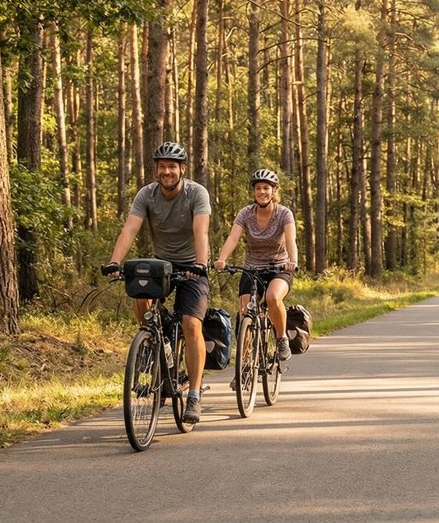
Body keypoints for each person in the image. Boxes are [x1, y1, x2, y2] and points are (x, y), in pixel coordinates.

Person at [107, 141, 212, 423]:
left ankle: (194, 395)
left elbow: (200, 232)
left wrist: (200, 265)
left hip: (193, 265)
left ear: (182, 170)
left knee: (191, 324)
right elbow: (130, 229)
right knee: (141, 295)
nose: (166, 171)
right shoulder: (147, 195)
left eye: (172, 167)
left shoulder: (196, 194)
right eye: (162, 166)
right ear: (156, 170)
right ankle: (156, 345)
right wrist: (116, 262)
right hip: (161, 264)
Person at [213, 168, 299, 363]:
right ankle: (244, 365)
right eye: (258, 188)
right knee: (245, 312)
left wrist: (292, 262)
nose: (262, 192)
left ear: (274, 191)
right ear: (253, 191)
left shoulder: (284, 213)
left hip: (278, 268)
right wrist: (222, 259)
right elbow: (233, 238)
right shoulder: (246, 213)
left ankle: (281, 338)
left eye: (266, 188)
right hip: (252, 268)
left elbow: (291, 240)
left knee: (272, 297)